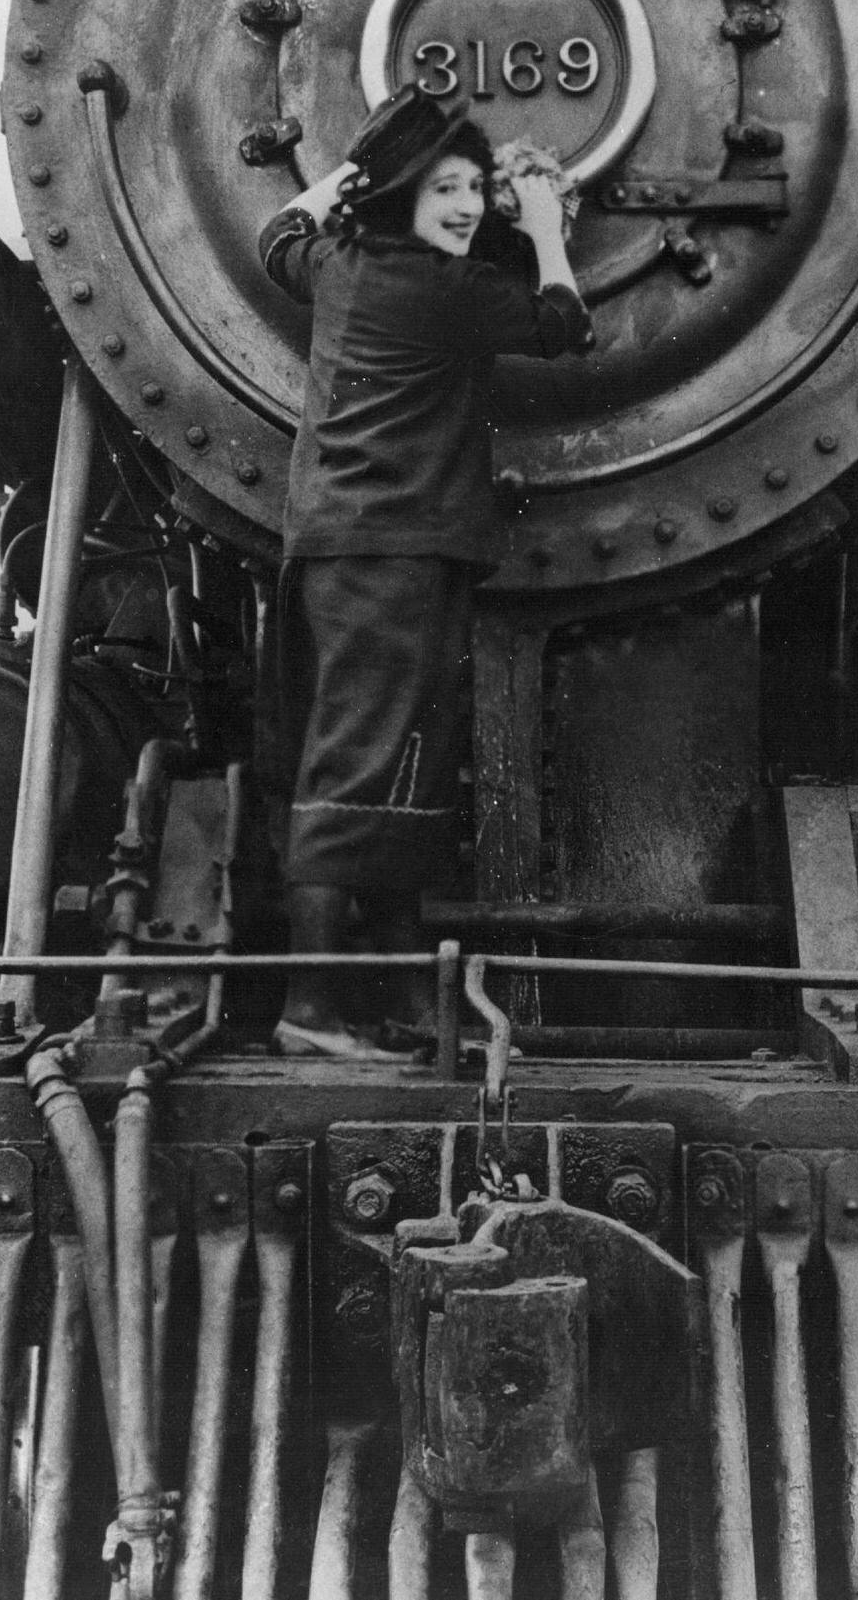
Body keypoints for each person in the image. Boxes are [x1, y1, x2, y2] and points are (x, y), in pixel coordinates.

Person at [258, 86, 594, 1054]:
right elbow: (559, 324)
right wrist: (539, 227)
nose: (464, 205)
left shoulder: (338, 263)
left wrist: (353, 177)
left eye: (471, 189)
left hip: (348, 544)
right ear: (401, 198)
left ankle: (398, 996)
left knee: (391, 761)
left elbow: (280, 231)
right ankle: (310, 1012)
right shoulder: (449, 294)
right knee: (361, 763)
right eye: (443, 188)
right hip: (396, 550)